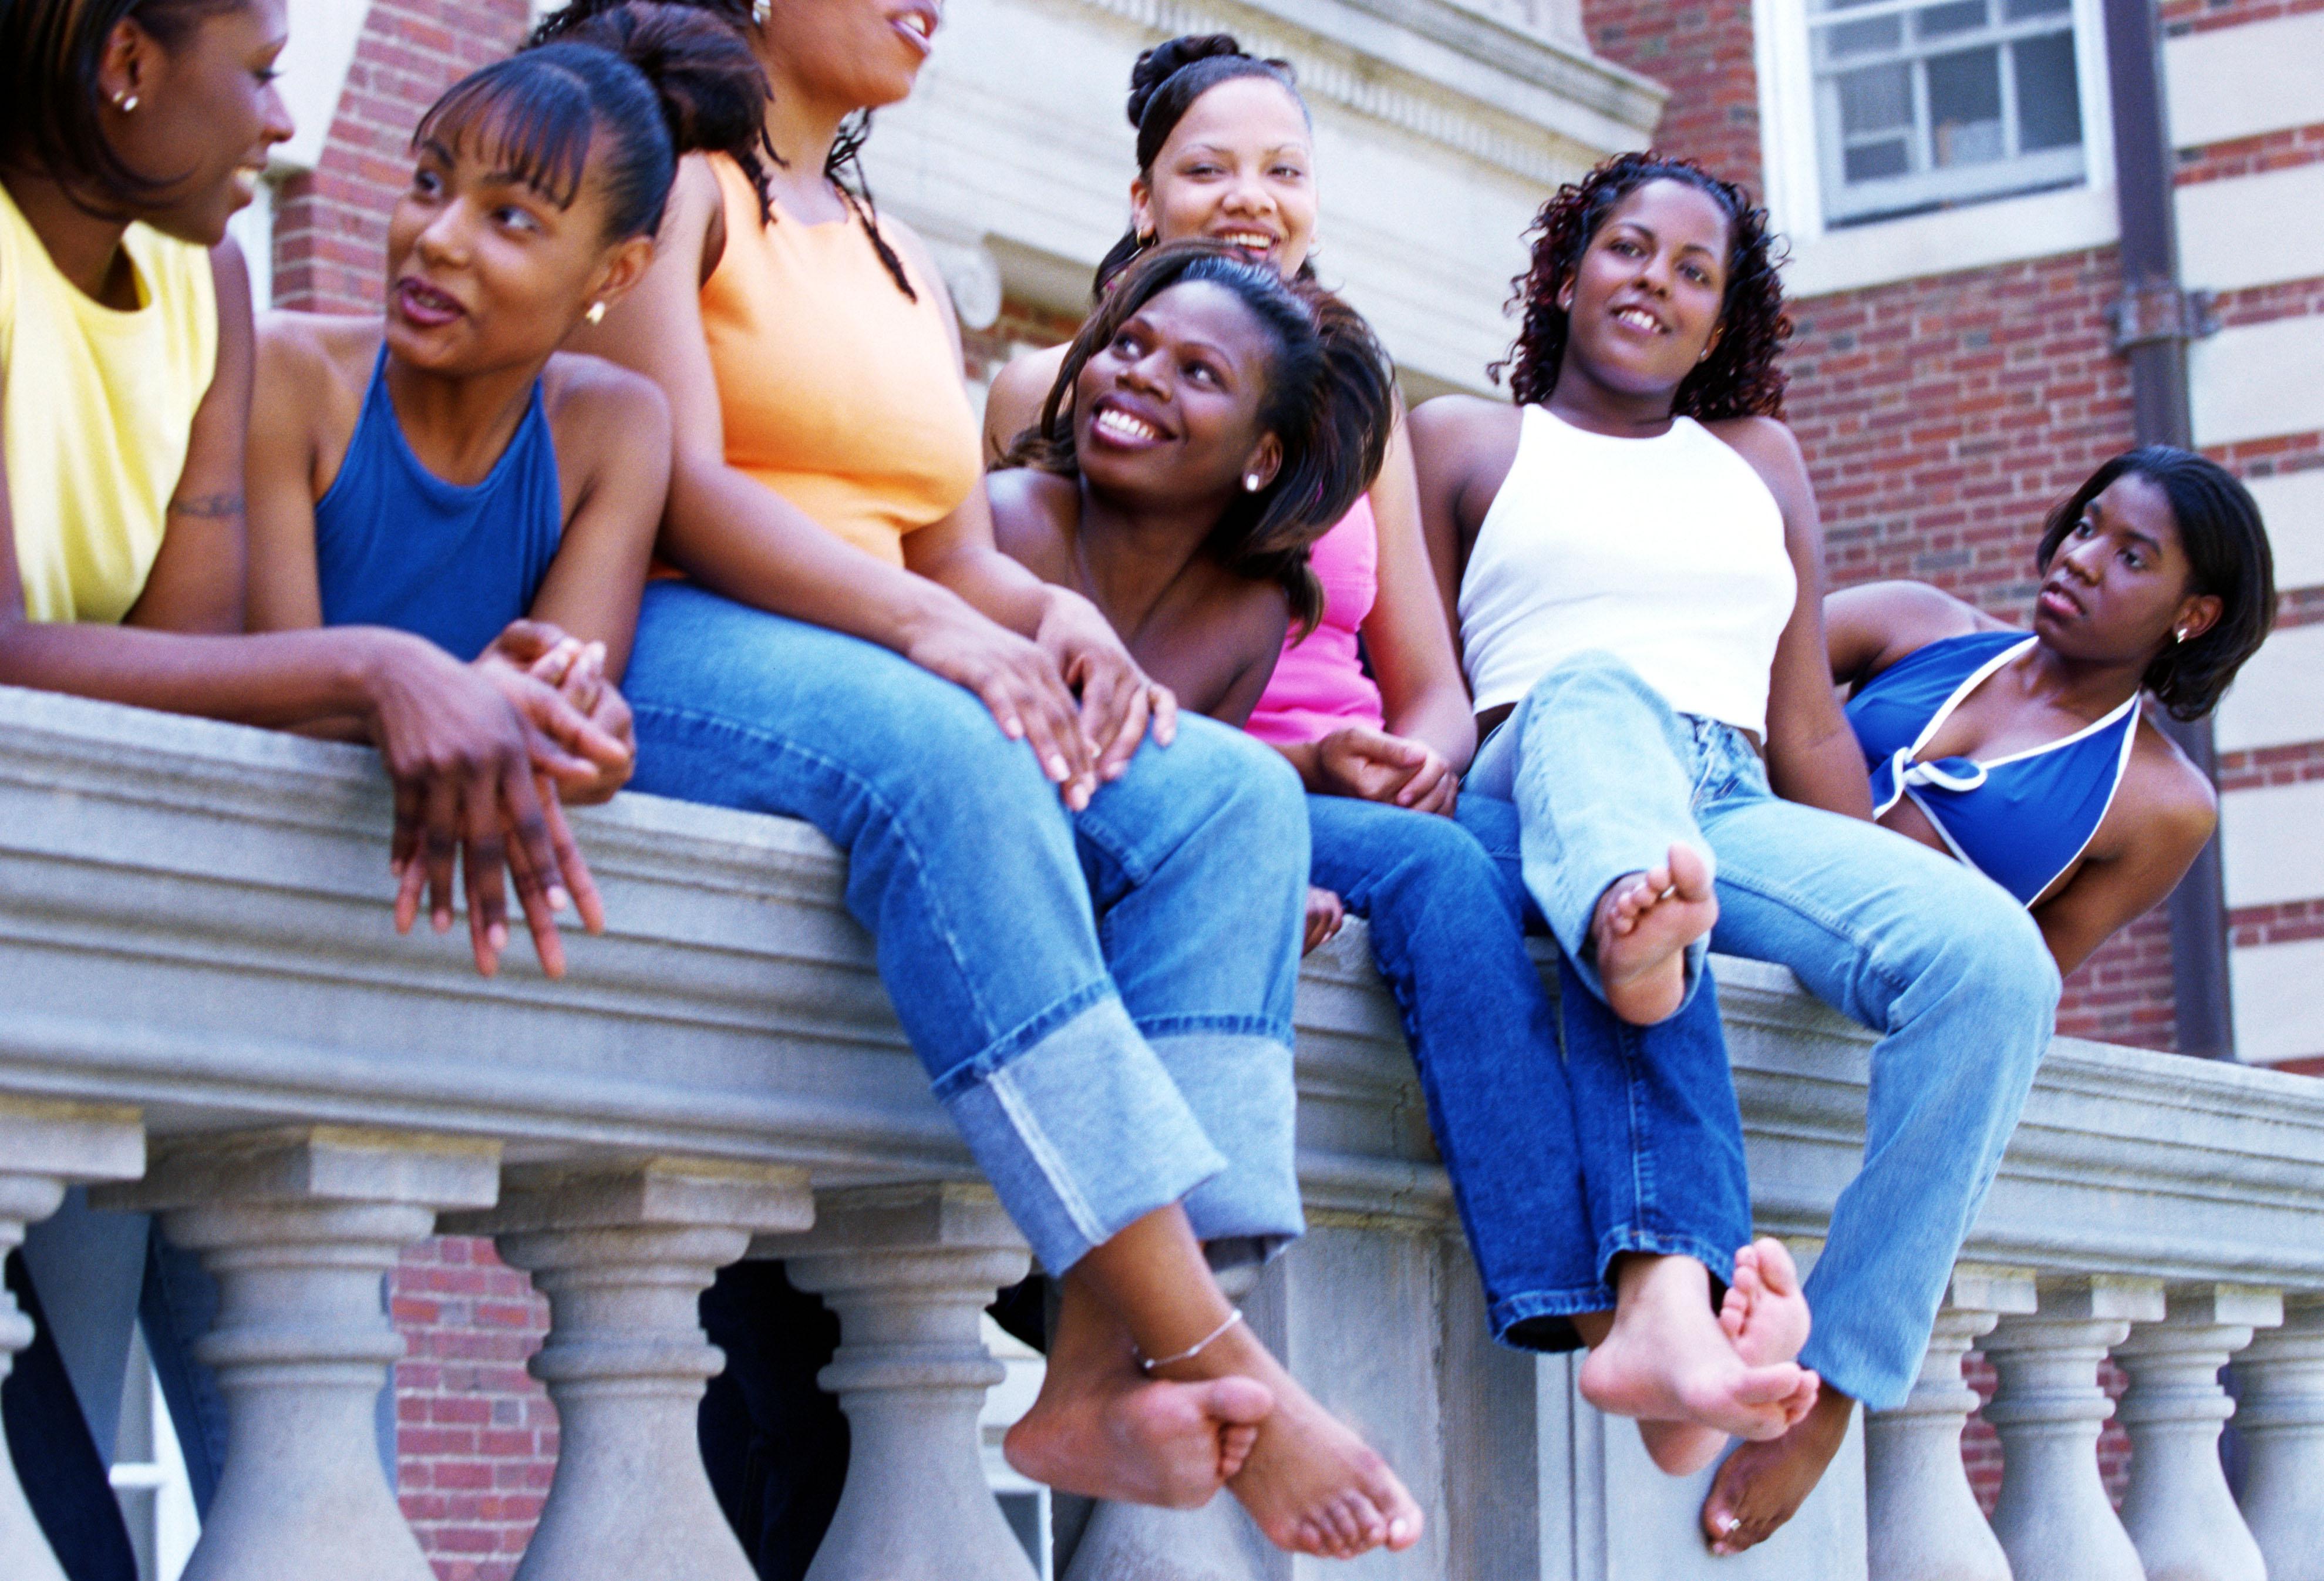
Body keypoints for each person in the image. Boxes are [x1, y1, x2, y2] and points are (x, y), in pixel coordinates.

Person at [534, 0, 1424, 1560]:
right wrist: (946, 636)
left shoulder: (886, 247)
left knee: (1232, 800)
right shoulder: (676, 184)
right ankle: (1214, 1355)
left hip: (886, 647)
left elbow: (944, 529)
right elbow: (673, 475)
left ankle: (1096, 1351)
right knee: (962, 752)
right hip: (687, 632)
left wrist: (1057, 622)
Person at [985, 40, 1818, 1479]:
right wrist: (1272, 831)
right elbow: (1046, 645)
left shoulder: (1352, 402)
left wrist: (1417, 759)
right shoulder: (1050, 393)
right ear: (1140, 194)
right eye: (1208, 167)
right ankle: (1577, 1310)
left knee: (1587, 881)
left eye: (1282, 170)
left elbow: (1429, 683)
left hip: (1357, 786)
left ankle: (1668, 1292)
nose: (1249, 196)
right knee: (1446, 877)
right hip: (1201, 783)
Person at [0, 0, 616, 1572]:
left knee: (317, 1445)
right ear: (128, 65)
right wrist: (374, 666)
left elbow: (193, 669)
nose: (284, 126)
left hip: (128, 938)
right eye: (262, 76)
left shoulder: (211, 279)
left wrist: (496, 708)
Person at [1408, 150, 2064, 1555]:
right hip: (1550, 769)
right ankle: (1661, 1245)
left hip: (1733, 803)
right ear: (1567, 269)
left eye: (1691, 271)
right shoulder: (1464, 439)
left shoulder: (1757, 457)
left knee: (1993, 964)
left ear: (1722, 322)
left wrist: (1897, 889)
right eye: (1626, 249)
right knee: (1595, 694)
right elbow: (1411, 670)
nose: (1652, 281)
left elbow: (1805, 724)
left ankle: (1830, 1376)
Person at [245, 4, 763, 812]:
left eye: (510, 218)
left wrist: (587, 740)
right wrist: (477, 704)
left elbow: (554, 704)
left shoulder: (617, 430)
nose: (439, 238)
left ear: (615, 274)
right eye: (427, 183)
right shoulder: (286, 372)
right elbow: (285, 709)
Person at [1828, 447, 2273, 971]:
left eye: (2131, 559)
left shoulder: (2164, 803)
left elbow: (2020, 983)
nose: (2080, 562)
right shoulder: (1911, 620)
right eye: (2086, 529)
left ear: (2194, 615)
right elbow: (1731, 668)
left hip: (1867, 993)